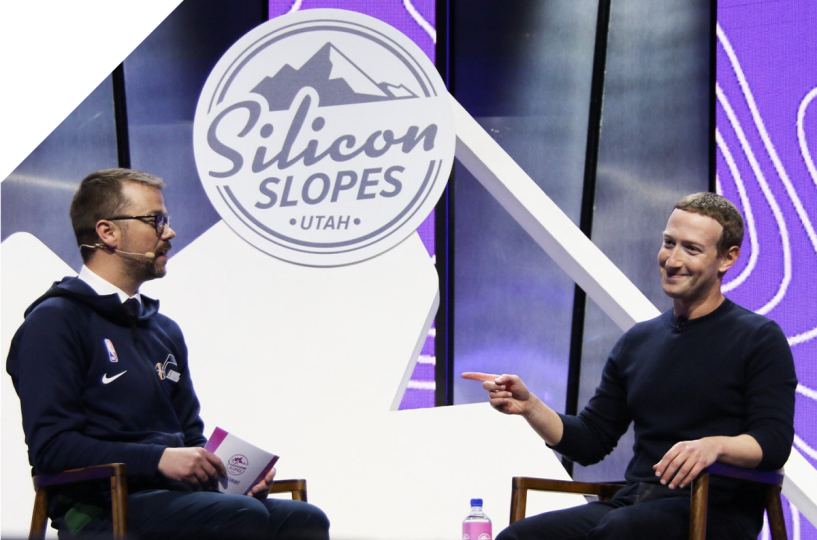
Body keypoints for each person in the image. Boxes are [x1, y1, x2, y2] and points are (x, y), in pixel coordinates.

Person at [7, 168, 330, 540]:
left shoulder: (164, 330)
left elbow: (190, 436)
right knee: (240, 516)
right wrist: (158, 459)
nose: (170, 232)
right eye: (155, 221)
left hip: (175, 498)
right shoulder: (54, 321)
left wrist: (230, 473)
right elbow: (52, 448)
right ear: (107, 232)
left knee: (303, 519)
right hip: (100, 509)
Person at [463, 192, 796, 540]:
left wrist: (714, 446)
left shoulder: (758, 338)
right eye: (669, 243)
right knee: (519, 537)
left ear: (727, 258)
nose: (673, 260)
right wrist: (530, 406)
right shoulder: (638, 340)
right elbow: (591, 441)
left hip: (714, 510)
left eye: (692, 249)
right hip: (635, 502)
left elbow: (773, 442)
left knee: (621, 530)